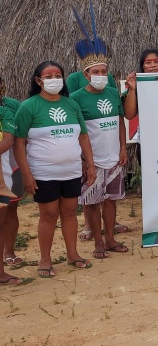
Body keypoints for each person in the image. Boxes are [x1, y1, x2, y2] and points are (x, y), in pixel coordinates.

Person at [14, 61, 96, 277]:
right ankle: (45, 259)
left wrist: (90, 165)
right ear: (38, 81)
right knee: (48, 214)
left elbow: (83, 137)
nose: (54, 80)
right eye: (48, 76)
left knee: (70, 212)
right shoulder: (28, 107)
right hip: (44, 173)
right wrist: (27, 175)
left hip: (71, 171)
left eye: (58, 75)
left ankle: (72, 254)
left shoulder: (71, 105)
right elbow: (19, 143)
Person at [71, 6, 128, 259]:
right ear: (86, 75)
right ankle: (97, 243)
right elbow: (77, 134)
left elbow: (120, 121)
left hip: (114, 156)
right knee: (92, 202)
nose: (101, 76)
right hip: (92, 161)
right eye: (96, 72)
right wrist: (85, 161)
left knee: (110, 200)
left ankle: (111, 238)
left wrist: (124, 148)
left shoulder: (113, 92)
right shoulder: (76, 98)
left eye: (104, 72)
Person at [123, 49, 158, 165]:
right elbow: (130, 115)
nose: (153, 65)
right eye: (148, 62)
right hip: (147, 144)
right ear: (142, 66)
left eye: (156, 61)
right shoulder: (138, 86)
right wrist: (132, 89)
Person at [1, 77, 25, 266]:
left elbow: (19, 137)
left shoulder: (12, 106)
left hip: (12, 167)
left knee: (10, 211)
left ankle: (8, 252)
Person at [0, 101, 22, 285]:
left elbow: (9, 140)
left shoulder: (6, 110)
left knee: (4, 218)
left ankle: (4, 263)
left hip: (6, 173)